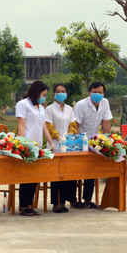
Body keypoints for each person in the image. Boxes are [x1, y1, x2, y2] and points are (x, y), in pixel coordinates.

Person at [15, 80, 54, 216]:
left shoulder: (41, 108)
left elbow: (44, 127)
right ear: (36, 92)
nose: (44, 98)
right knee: (26, 177)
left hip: (37, 145)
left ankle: (30, 205)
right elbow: (21, 125)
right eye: (43, 94)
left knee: (34, 178)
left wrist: (50, 143)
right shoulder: (22, 104)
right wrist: (21, 143)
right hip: (26, 145)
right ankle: (22, 207)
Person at [74, 81, 113, 209]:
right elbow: (76, 126)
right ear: (89, 93)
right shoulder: (81, 105)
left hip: (94, 142)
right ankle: (73, 201)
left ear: (104, 94)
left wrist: (109, 141)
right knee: (75, 171)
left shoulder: (105, 103)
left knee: (91, 170)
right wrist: (76, 143)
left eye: (100, 93)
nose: (97, 94)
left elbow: (106, 123)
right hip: (79, 141)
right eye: (94, 92)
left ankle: (87, 200)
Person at [45, 83, 78, 212]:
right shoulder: (49, 109)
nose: (60, 93)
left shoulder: (70, 109)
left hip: (68, 146)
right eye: (58, 91)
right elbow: (49, 126)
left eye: (63, 91)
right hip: (55, 145)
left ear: (66, 93)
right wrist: (59, 138)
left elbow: (73, 124)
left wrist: (69, 137)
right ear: (54, 94)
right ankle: (55, 204)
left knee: (65, 175)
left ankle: (63, 202)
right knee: (55, 176)